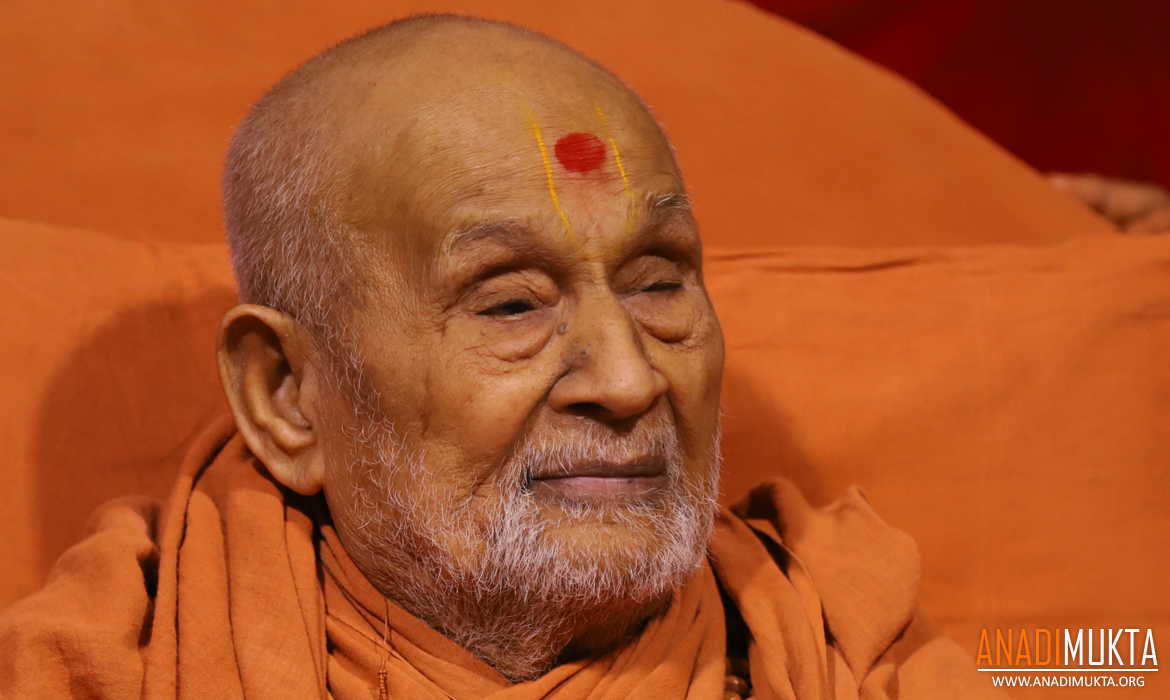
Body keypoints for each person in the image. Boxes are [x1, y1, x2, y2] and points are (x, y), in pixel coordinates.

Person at [0, 15, 1004, 699]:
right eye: (513, 303)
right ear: (287, 395)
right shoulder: (110, 662)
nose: (630, 380)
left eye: (658, 283)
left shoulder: (837, 638)